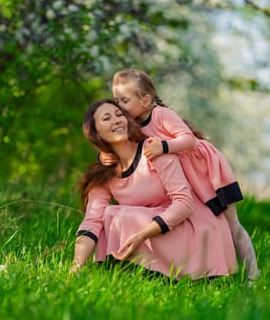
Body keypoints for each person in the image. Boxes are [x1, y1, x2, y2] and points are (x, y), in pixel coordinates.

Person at [107, 68, 259, 280]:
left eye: (124, 100)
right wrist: (106, 157)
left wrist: (164, 147)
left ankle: (253, 275)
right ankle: (201, 265)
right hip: (184, 175)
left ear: (145, 100)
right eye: (116, 100)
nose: (119, 106)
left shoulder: (161, 115)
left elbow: (187, 140)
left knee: (231, 223)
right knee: (201, 219)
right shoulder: (132, 124)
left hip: (204, 170)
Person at [71, 99, 238, 280]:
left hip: (190, 231)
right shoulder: (102, 173)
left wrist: (142, 235)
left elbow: (184, 204)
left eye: (120, 115)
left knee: (118, 215)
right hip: (154, 234)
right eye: (107, 118)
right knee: (108, 215)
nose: (117, 120)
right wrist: (77, 265)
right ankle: (120, 272)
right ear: (96, 133)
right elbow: (92, 220)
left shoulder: (154, 151)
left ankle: (170, 275)